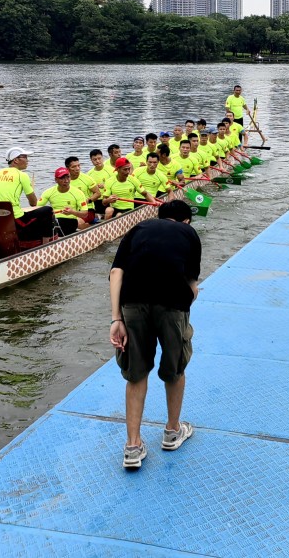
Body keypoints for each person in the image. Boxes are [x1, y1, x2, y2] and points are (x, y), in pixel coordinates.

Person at [110, 199, 201, 469]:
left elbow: (116, 273)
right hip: (172, 305)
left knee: (136, 373)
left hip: (132, 305)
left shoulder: (137, 228)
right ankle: (172, 431)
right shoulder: (189, 234)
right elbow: (191, 285)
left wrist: (116, 319)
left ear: (158, 216)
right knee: (175, 368)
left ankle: (132, 447)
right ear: (185, 221)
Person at [0, 146, 55, 243]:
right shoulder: (22, 175)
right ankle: (45, 246)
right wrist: (31, 190)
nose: (28, 160)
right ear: (15, 160)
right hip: (16, 221)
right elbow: (33, 203)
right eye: (25, 157)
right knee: (48, 210)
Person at [38, 167, 93, 235]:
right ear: (56, 180)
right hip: (54, 220)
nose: (66, 181)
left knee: (56, 223)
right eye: (62, 178)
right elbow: (37, 207)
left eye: (68, 177)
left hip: (70, 220)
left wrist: (72, 212)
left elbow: (85, 214)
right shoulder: (48, 192)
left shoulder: (78, 193)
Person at [66, 156, 100, 224]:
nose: (77, 168)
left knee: (77, 222)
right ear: (67, 169)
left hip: (87, 210)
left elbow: (98, 193)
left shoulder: (87, 179)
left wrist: (88, 200)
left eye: (78, 166)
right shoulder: (65, 181)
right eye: (74, 167)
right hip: (71, 210)